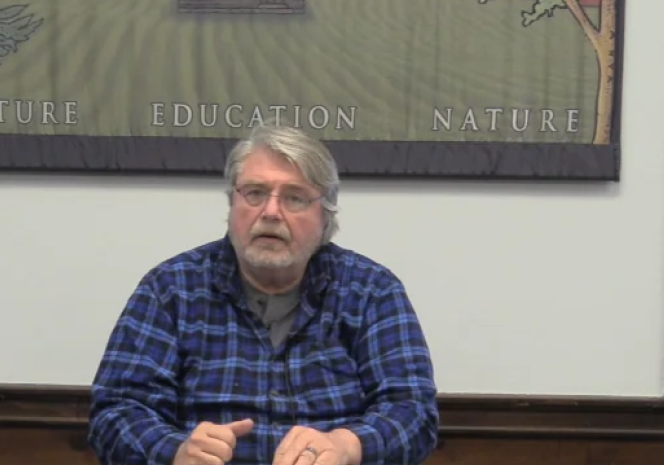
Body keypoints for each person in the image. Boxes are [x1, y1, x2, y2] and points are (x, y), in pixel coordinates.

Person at [87, 122, 439, 465]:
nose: (270, 212)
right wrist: (174, 451)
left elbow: (413, 412)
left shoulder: (372, 291)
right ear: (232, 205)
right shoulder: (170, 289)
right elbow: (117, 412)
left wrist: (346, 445)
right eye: (255, 193)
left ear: (325, 218)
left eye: (294, 198)